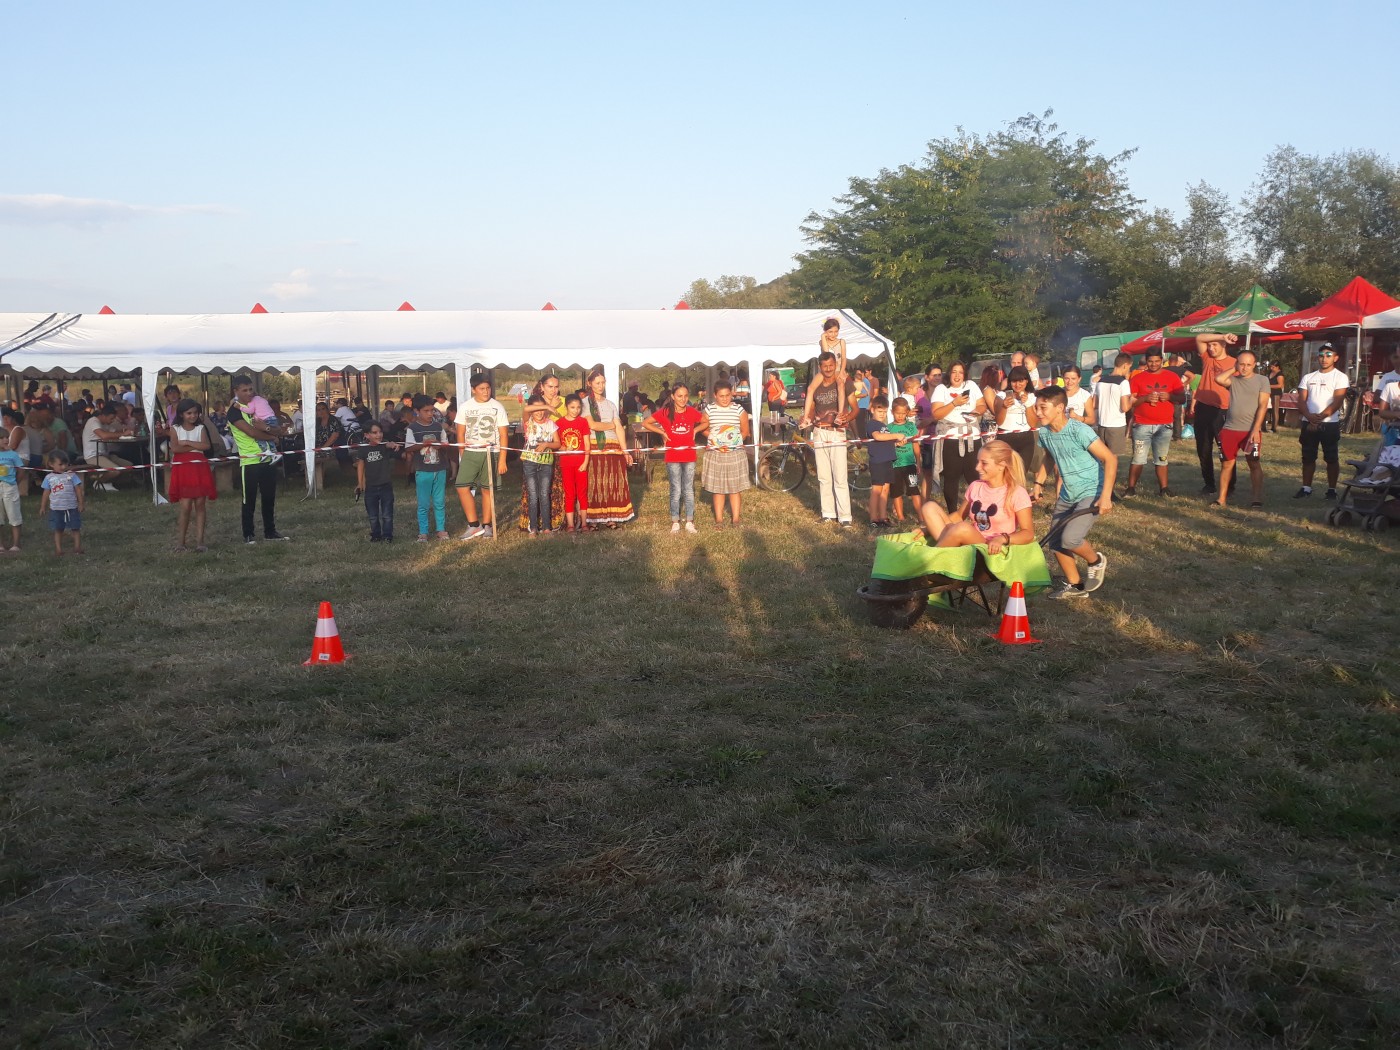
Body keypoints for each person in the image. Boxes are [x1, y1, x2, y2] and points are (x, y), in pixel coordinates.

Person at [1033, 387, 1115, 599]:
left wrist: (1105, 496)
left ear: (1059, 408)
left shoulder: (1079, 430)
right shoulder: (1045, 433)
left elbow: (1110, 459)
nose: (1038, 412)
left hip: (1091, 490)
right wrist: (1038, 483)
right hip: (1068, 493)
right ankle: (1076, 587)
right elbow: (1049, 456)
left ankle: (1096, 561)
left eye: (1043, 407)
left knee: (1070, 539)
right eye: (1036, 407)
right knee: (1056, 542)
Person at [919, 439, 1033, 553]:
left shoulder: (1016, 493)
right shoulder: (975, 486)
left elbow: (1028, 533)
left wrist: (1002, 539)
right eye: (978, 462)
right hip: (972, 540)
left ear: (1001, 465)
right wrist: (928, 528)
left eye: (984, 463)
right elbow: (959, 516)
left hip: (991, 547)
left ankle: (933, 556)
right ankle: (946, 549)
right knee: (929, 507)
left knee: (962, 528)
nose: (977, 467)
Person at [228, 375, 289, 544]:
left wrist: (269, 429)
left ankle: (270, 531)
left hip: (267, 458)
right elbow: (252, 432)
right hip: (250, 460)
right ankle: (248, 534)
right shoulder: (234, 411)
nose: (249, 393)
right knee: (249, 499)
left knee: (269, 497)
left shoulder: (257, 403)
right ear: (236, 391)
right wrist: (272, 436)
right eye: (244, 390)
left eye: (250, 389)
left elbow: (278, 429)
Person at [799, 350, 856, 526]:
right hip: (819, 432)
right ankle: (828, 514)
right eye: (825, 366)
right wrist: (806, 418)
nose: (828, 369)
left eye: (831, 365)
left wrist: (846, 417)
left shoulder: (844, 381)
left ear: (835, 364)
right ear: (820, 367)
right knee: (823, 476)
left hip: (836, 432)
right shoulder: (816, 384)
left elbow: (855, 409)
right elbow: (811, 407)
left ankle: (845, 517)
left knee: (840, 476)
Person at [1211, 346, 1271, 509]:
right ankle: (1221, 498)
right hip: (1230, 429)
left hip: (1250, 430)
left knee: (1253, 463)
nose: (1244, 368)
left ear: (1254, 365)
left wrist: (1256, 430)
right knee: (1227, 464)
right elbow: (1219, 379)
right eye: (1242, 364)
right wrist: (1234, 368)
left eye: (1248, 365)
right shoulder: (1234, 380)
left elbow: (1263, 406)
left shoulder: (1262, 380)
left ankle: (1256, 498)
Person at [643, 383, 708, 533]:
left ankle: (690, 521)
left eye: (685, 396)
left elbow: (705, 421)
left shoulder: (691, 411)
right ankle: (675, 521)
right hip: (672, 456)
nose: (683, 399)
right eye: (679, 396)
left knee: (688, 488)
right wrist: (661, 432)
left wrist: (696, 430)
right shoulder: (665, 412)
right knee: (676, 489)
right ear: (673, 397)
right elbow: (646, 423)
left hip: (689, 455)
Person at [454, 375, 511, 540]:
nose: (486, 392)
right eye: (481, 389)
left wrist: (502, 459)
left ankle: (487, 525)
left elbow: (503, 434)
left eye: (488, 388)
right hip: (471, 451)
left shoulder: (497, 407)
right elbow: (460, 432)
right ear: (473, 390)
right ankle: (474, 525)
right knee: (462, 487)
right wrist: (463, 454)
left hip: (491, 452)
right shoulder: (465, 407)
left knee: (488, 489)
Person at [1293, 343, 1349, 500]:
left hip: (1329, 423)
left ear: (1336, 358)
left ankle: (1332, 490)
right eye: (1321, 355)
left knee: (1331, 457)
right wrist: (1309, 416)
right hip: (1308, 421)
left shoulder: (1340, 377)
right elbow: (1301, 400)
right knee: (1308, 456)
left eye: (1329, 355)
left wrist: (1320, 417)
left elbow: (1337, 401)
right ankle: (1306, 488)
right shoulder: (1308, 377)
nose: (1324, 358)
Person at [1126, 350, 1185, 497]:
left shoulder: (1172, 377)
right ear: (1146, 361)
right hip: (1142, 424)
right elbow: (1131, 402)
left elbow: (1182, 398)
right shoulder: (1137, 378)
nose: (1153, 364)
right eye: (1150, 361)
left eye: (1157, 361)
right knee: (1138, 458)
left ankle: (1164, 489)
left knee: (1162, 458)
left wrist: (1170, 396)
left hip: (1164, 425)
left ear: (1162, 360)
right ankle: (1131, 488)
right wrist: (1145, 399)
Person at [580, 369, 635, 526]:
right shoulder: (585, 403)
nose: (601, 386)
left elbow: (619, 429)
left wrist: (625, 452)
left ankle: (612, 516)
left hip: (613, 446)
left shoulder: (611, 404)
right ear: (589, 383)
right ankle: (593, 519)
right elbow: (592, 425)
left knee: (612, 482)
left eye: (603, 382)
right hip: (594, 445)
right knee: (594, 482)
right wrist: (611, 425)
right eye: (597, 383)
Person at [930, 361, 983, 512]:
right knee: (951, 477)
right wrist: (954, 403)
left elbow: (982, 405)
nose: (957, 375)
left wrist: (976, 411)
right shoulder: (941, 389)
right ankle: (952, 512)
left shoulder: (971, 385)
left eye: (960, 372)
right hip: (951, 439)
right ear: (949, 373)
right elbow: (936, 414)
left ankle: (978, 511)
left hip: (972, 437)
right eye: (954, 372)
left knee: (975, 476)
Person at [1190, 332, 1236, 496]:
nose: (1211, 348)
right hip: (1203, 407)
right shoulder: (1207, 358)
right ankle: (1209, 484)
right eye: (1209, 345)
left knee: (1226, 449)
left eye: (1214, 345)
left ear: (1224, 346)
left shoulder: (1234, 363)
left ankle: (1229, 485)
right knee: (1203, 448)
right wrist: (1222, 336)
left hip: (1223, 409)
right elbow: (1199, 338)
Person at [167, 399, 217, 552]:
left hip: (199, 468)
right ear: (181, 414)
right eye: (189, 413)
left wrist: (187, 443)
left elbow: (206, 445)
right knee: (185, 506)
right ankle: (181, 542)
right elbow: (175, 448)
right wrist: (195, 447)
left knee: (200, 504)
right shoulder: (174, 429)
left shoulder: (200, 428)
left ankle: (200, 542)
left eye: (195, 413)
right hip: (183, 469)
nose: (193, 416)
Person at [701, 379, 751, 527]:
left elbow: (745, 431)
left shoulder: (739, 409)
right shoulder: (709, 410)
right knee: (718, 489)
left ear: (731, 394)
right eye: (721, 396)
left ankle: (735, 519)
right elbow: (703, 429)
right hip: (716, 453)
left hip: (735, 453)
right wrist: (716, 439)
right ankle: (719, 520)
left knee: (735, 488)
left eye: (728, 395)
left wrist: (732, 442)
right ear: (715, 395)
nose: (725, 399)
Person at [402, 393, 452, 540]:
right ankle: (423, 532)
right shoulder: (412, 428)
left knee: (439, 502)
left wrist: (439, 445)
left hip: (440, 469)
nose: (430, 414)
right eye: (426, 411)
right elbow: (408, 447)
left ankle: (441, 529)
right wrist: (423, 444)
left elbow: (446, 444)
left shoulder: (438, 426)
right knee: (423, 503)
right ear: (417, 411)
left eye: (432, 410)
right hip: (423, 470)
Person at [519, 395, 560, 537]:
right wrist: (547, 406)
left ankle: (547, 527)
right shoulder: (528, 422)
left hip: (546, 463)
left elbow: (557, 443)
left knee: (544, 494)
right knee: (533, 494)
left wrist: (546, 444)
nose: (539, 412)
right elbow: (526, 409)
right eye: (536, 409)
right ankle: (533, 528)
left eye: (542, 409)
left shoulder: (551, 424)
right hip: (530, 463)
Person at [354, 421, 400, 542]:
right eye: (374, 433)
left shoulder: (384, 445)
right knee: (373, 516)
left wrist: (393, 445)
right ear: (367, 435)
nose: (378, 435)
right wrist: (360, 483)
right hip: (370, 487)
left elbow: (390, 445)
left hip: (386, 486)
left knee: (387, 514)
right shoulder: (363, 449)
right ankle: (375, 535)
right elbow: (360, 465)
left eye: (380, 432)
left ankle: (387, 536)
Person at [555, 394, 591, 532]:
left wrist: (586, 462)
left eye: (578, 407)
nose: (576, 410)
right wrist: (564, 448)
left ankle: (584, 523)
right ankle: (570, 524)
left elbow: (587, 444)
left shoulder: (583, 422)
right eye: (572, 407)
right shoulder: (559, 423)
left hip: (581, 463)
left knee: (582, 493)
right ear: (566, 407)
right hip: (566, 463)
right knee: (569, 493)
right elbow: (557, 444)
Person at [993, 366, 1037, 478]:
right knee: (1005, 474)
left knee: (1021, 473)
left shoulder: (1032, 396)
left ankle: (1019, 489)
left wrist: (1028, 404)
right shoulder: (1001, 396)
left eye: (1021, 381)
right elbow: (999, 421)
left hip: (1026, 438)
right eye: (1014, 381)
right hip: (1006, 437)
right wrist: (1004, 407)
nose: (1017, 385)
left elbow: (1033, 423)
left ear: (1027, 381)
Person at [39, 449, 84, 556]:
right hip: (56, 508)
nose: (64, 467)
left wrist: (81, 503)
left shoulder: (72, 475)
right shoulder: (49, 478)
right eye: (60, 464)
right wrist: (43, 506)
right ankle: (58, 549)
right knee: (58, 529)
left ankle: (77, 547)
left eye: (66, 464)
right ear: (51, 464)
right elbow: (46, 493)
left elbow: (78, 490)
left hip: (72, 507)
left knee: (75, 527)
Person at [885, 396, 921, 523]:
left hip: (909, 464)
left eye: (903, 413)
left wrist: (918, 462)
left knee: (914, 490)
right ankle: (901, 517)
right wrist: (895, 444)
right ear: (892, 412)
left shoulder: (911, 426)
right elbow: (886, 446)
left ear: (907, 412)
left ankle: (921, 517)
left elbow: (915, 444)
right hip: (895, 465)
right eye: (897, 413)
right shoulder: (888, 428)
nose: (900, 416)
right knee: (896, 492)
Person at [865, 396, 899, 528]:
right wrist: (896, 435)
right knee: (877, 490)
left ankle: (883, 517)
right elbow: (877, 436)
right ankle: (874, 518)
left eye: (885, 412)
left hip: (887, 460)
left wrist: (896, 442)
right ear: (873, 410)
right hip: (878, 461)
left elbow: (885, 440)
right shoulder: (872, 424)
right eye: (880, 411)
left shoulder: (884, 426)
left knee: (885, 490)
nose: (882, 414)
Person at [1093, 352, 1132, 463]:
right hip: (1116, 425)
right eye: (1129, 368)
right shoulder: (1123, 383)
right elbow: (1125, 407)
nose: (1128, 371)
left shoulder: (1100, 381)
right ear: (1125, 365)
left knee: (1102, 456)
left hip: (1102, 424)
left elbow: (1094, 404)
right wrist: (1132, 400)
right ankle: (1111, 475)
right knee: (1112, 458)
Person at [79, 403, 128, 492]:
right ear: (103, 416)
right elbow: (104, 435)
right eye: (111, 418)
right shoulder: (93, 421)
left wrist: (125, 432)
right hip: (93, 456)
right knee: (115, 470)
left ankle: (110, 481)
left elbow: (115, 432)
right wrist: (123, 434)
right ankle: (99, 483)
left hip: (104, 454)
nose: (112, 421)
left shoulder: (105, 424)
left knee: (128, 465)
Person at [0, 430, 23, 552]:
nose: (5, 440)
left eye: (7, 437)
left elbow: (21, 470)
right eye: (1, 438)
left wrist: (14, 483)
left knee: (14, 515)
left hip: (10, 487)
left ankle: (16, 544)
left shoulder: (13, 455)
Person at [764, 370, 787, 435]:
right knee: (777, 416)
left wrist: (774, 398)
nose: (769, 377)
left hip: (775, 402)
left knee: (775, 417)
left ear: (774, 376)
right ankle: (777, 430)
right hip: (776, 402)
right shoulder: (776, 382)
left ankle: (776, 431)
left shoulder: (775, 382)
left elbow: (780, 391)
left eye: (770, 376)